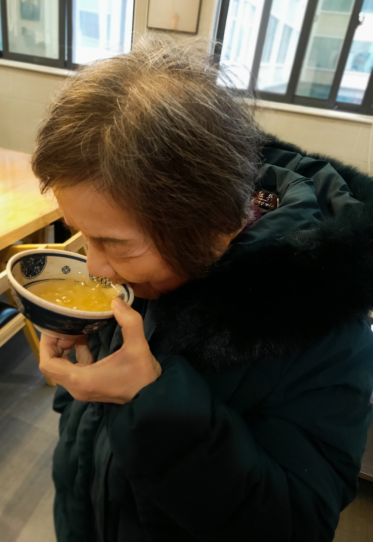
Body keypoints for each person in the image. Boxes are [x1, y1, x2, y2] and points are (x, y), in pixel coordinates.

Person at [31, 37, 373, 542]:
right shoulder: (142, 274)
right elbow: (89, 430)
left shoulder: (326, 329)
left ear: (213, 222)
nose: (96, 268)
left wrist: (153, 404)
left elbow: (298, 523)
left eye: (114, 244)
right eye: (81, 234)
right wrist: (82, 379)